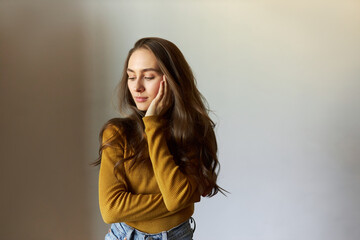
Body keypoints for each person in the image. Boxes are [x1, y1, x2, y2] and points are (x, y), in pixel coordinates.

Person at [93, 37, 225, 240]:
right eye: (131, 76)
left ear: (171, 80)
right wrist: (181, 202)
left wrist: (153, 125)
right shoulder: (118, 132)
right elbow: (110, 209)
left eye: (148, 76)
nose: (137, 87)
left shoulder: (193, 131)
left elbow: (176, 199)